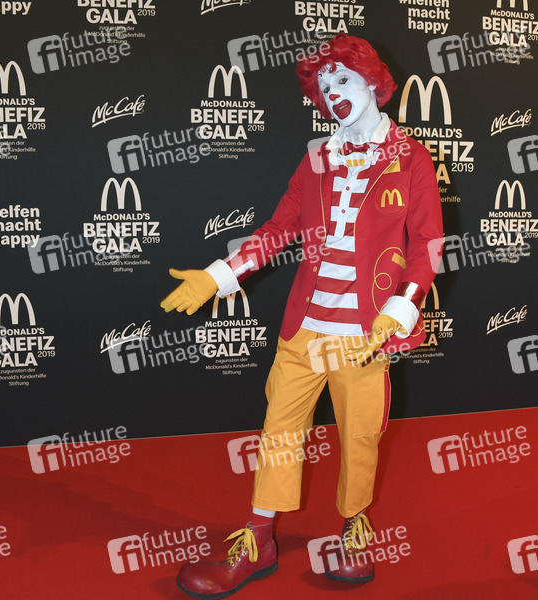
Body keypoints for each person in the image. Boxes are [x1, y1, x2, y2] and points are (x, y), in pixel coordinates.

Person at [162, 33, 443, 599]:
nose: (333, 92)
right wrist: (219, 276)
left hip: (365, 334)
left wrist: (398, 311)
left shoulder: (411, 157)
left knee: (360, 436)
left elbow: (428, 247)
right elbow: (278, 229)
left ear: (372, 81)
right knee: (279, 433)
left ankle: (354, 527)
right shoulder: (316, 158)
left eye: (343, 79)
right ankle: (259, 538)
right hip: (305, 328)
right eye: (323, 85)